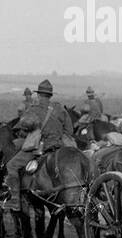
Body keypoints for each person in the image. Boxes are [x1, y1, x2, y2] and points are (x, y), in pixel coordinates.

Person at [5, 79, 73, 211]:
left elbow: (23, 132)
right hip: (59, 146)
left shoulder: (33, 109)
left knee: (11, 165)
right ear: (50, 95)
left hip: (40, 148)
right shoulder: (59, 108)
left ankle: (15, 201)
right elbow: (69, 131)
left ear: (38, 95)